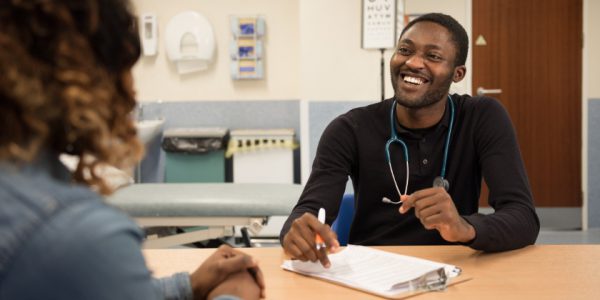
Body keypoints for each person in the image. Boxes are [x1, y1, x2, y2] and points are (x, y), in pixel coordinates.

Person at [0, 1, 264, 299]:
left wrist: (187, 286)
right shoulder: (74, 234)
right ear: (85, 75)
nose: (132, 94)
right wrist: (234, 294)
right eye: (126, 69)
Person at [280, 13, 540, 267]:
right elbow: (310, 210)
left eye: (433, 56)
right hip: (370, 275)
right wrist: (297, 232)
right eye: (405, 50)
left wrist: (465, 228)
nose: (414, 63)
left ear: (457, 73)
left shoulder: (482, 118)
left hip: (456, 271)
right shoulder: (349, 129)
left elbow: (523, 217)